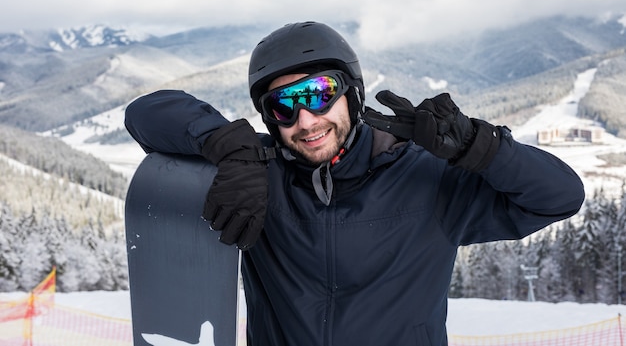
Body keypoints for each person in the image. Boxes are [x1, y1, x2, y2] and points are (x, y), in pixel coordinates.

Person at [125, 21, 585, 346]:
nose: (306, 120)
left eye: (319, 94)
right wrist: (229, 146)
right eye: (282, 107)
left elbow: (560, 197)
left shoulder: (427, 178)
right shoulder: (259, 179)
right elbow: (145, 113)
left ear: (353, 93)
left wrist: (478, 148)